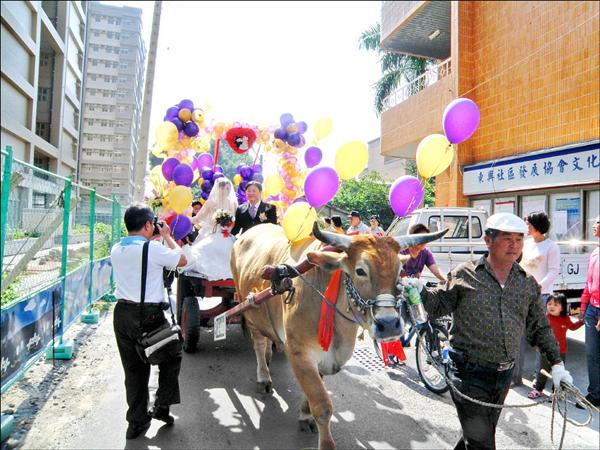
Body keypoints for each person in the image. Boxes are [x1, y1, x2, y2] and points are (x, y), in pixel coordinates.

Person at [418, 212, 572, 449]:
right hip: (467, 373)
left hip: (502, 377)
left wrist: (557, 365)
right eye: (506, 238)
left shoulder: (526, 283)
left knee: (478, 435)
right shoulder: (464, 274)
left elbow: (540, 327)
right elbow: (437, 306)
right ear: (487, 240)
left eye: (519, 239)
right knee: (481, 442)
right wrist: (415, 290)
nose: (514, 244)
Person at [111, 204, 187, 439]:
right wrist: (166, 235)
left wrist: (154, 237)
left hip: (122, 314)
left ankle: (136, 423)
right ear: (147, 225)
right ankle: (161, 407)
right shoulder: (153, 249)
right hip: (149, 316)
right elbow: (182, 260)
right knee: (172, 355)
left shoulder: (116, 249)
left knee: (133, 371)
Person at [514, 211, 561, 385]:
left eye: (528, 223)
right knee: (516, 335)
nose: (526, 227)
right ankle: (514, 375)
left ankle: (538, 377)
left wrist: (539, 286)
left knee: (538, 338)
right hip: (522, 293)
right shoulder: (525, 244)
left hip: (541, 296)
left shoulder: (551, 246)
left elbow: (554, 270)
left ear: (537, 226)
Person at [528, 293, 583, 399]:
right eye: (549, 304)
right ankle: (538, 390)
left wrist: (582, 322)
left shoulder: (565, 319)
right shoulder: (544, 318)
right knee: (542, 371)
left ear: (562, 307)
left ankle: (556, 392)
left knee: (558, 373)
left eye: (555, 304)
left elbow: (572, 327)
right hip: (546, 351)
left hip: (560, 352)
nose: (551, 306)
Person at [576, 216, 600, 408]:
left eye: (598, 223)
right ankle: (595, 395)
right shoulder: (595, 253)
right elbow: (589, 282)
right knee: (592, 354)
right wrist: (583, 307)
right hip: (592, 309)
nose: (594, 225)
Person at [183, 209, 236, 280]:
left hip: (217, 238)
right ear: (231, 224)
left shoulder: (213, 237)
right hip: (226, 242)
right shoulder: (232, 239)